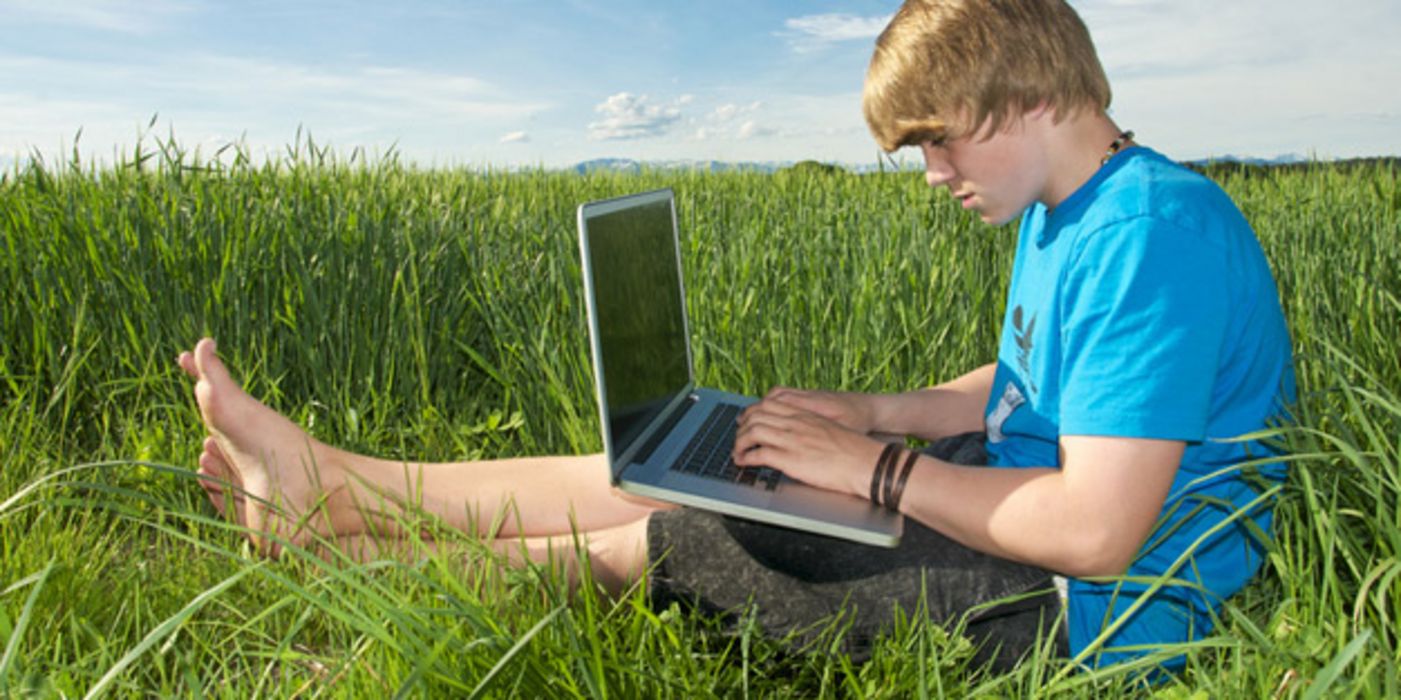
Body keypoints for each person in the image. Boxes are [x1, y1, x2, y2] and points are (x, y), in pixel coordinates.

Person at [178, 0, 1294, 674]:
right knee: (691, 470)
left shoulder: (1155, 237)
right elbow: (1024, 388)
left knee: (688, 542)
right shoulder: (1071, 211)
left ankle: (365, 560)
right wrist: (866, 415)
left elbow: (1098, 528)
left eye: (940, 142)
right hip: (1024, 506)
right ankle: (345, 483)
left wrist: (879, 472)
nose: (935, 174)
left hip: (1093, 614)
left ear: (1036, 94)